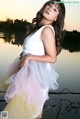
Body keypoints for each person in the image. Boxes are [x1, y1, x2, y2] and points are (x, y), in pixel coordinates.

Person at [1, 0, 65, 119]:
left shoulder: (47, 30)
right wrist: (25, 54)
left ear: (57, 17)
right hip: (27, 76)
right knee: (30, 114)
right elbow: (35, 49)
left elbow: (52, 58)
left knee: (13, 114)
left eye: (55, 9)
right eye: (49, 5)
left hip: (33, 80)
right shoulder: (38, 28)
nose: (50, 9)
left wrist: (29, 56)